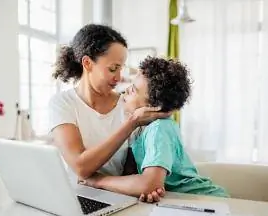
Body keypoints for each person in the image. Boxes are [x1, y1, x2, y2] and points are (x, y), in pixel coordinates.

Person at [47, 24, 170, 199]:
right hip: (74, 196)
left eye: (121, 68)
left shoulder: (128, 105)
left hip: (117, 196)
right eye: (113, 68)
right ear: (87, 63)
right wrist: (131, 123)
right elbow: (81, 167)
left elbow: (133, 167)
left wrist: (143, 190)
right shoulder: (62, 104)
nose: (119, 77)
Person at [82, 56, 229, 201]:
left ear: (154, 106)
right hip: (179, 202)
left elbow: (149, 184)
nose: (126, 90)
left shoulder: (159, 128)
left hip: (206, 202)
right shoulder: (142, 129)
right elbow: (141, 182)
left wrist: (98, 181)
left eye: (133, 90)